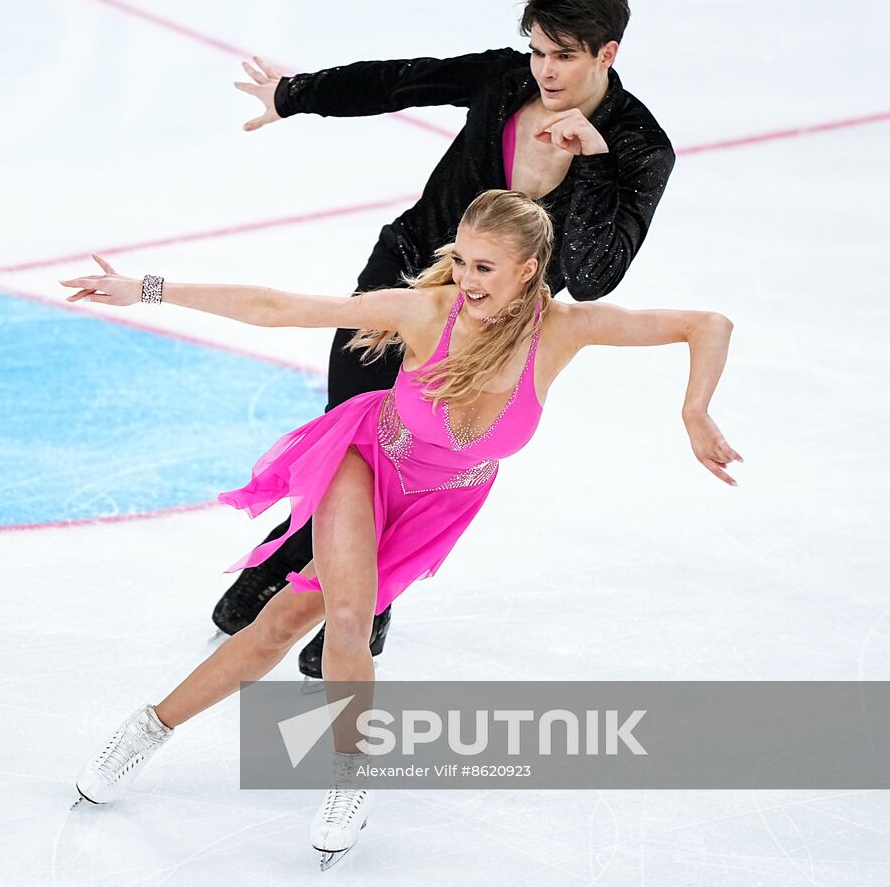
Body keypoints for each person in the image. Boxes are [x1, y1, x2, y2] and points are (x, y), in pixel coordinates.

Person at [63, 190, 738, 867]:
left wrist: (695, 410)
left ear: (530, 269)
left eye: (486, 268)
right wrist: (147, 289)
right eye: (463, 262)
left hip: (442, 506)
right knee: (351, 615)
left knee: (282, 621)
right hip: (366, 461)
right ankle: (352, 775)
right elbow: (280, 307)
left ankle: (149, 725)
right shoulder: (428, 311)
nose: (467, 281)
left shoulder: (562, 331)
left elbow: (708, 323)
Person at [220, 0, 677, 678]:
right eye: (536, 49)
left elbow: (593, 277)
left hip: (491, 330)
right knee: (355, 437)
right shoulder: (505, 81)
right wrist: (295, 94)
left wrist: (590, 162)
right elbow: (405, 78)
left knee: (408, 462)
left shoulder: (639, 149)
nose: (544, 69)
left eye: (563, 56)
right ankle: (305, 559)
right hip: (404, 276)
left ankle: (365, 597)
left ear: (606, 53)